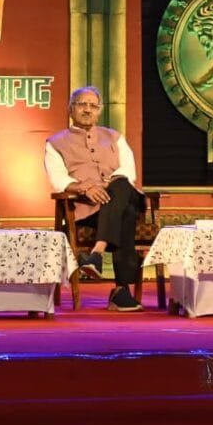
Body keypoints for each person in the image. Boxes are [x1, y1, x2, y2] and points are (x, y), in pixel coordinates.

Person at [44, 86, 144, 313]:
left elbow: (129, 172)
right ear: (71, 109)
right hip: (87, 210)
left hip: (120, 194)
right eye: (82, 104)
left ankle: (97, 252)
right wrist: (84, 187)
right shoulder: (55, 143)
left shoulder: (115, 138)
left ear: (99, 111)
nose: (87, 110)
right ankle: (121, 292)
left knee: (121, 183)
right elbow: (58, 179)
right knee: (126, 214)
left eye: (93, 106)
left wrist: (106, 185)